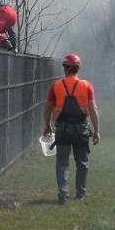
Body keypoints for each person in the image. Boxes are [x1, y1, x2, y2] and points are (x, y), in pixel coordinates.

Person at [43, 53, 100, 204]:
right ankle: (81, 193)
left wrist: (47, 126)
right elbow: (93, 109)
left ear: (64, 68)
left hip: (62, 129)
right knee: (82, 162)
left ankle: (63, 195)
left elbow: (48, 108)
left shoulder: (56, 86)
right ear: (78, 68)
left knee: (62, 163)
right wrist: (97, 131)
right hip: (81, 128)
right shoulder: (87, 86)